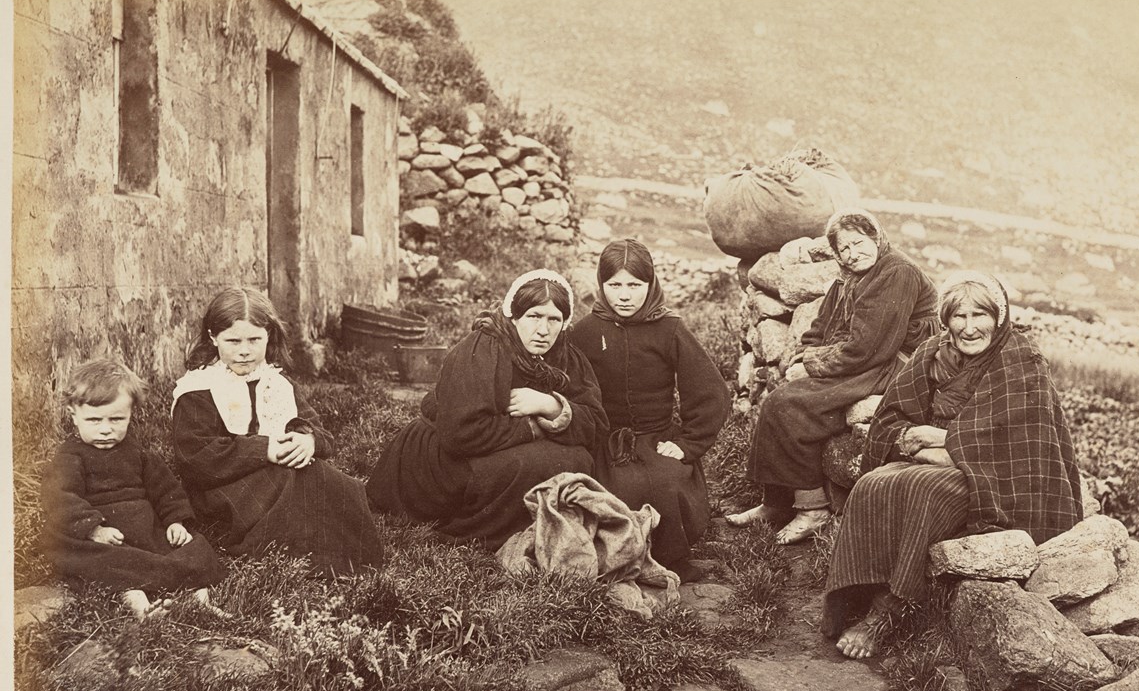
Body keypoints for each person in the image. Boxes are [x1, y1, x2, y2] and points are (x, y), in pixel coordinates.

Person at [823, 271, 1083, 659]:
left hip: (997, 473)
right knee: (872, 484)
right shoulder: (932, 353)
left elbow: (1020, 437)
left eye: (980, 315)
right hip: (935, 459)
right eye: (959, 316)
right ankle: (856, 591)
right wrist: (927, 448)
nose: (970, 327)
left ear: (999, 317)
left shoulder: (1021, 358)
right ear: (945, 320)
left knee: (929, 492)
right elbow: (891, 419)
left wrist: (943, 439)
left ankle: (889, 610)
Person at [726, 207, 940, 544]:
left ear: (876, 237)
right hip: (861, 358)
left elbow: (868, 347)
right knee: (777, 401)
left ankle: (813, 508)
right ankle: (776, 502)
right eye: (845, 249)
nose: (854, 254)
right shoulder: (847, 278)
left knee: (792, 406)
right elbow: (821, 326)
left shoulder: (896, 272)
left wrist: (811, 364)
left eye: (859, 242)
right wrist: (803, 354)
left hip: (892, 362)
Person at [366, 269, 608, 547]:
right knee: (531, 464)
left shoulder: (566, 355)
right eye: (534, 317)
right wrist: (532, 427)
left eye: (554, 319)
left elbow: (596, 425)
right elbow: (461, 434)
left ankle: (538, 529)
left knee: (577, 460)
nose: (543, 330)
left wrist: (551, 406)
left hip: (497, 445)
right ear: (514, 317)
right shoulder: (484, 348)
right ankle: (484, 531)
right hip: (441, 463)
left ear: (565, 323)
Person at [172, 287, 384, 578]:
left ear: (268, 336)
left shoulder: (276, 382)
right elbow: (195, 458)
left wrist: (307, 439)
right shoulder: (198, 390)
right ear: (213, 338)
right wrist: (264, 450)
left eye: (254, 340)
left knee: (336, 482)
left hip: (272, 471)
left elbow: (318, 429)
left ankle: (351, 560)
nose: (244, 350)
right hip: (221, 484)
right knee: (287, 483)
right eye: (232, 341)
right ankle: (299, 556)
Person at [573, 239, 729, 581]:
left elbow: (709, 390)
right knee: (619, 491)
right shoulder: (584, 332)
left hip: (657, 437)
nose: (624, 295)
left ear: (651, 284)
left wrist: (689, 444)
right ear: (601, 286)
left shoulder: (669, 328)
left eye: (634, 285)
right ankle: (623, 559)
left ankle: (672, 559)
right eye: (615, 285)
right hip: (607, 440)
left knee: (667, 483)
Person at [42, 359, 226, 619]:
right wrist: (93, 528)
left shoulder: (137, 452)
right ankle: (141, 606)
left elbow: (164, 488)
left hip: (145, 530)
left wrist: (176, 522)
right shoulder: (71, 456)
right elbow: (61, 498)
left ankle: (201, 600)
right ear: (73, 414)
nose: (106, 429)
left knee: (194, 549)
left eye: (116, 419)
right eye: (94, 420)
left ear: (131, 413)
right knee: (115, 565)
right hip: (104, 536)